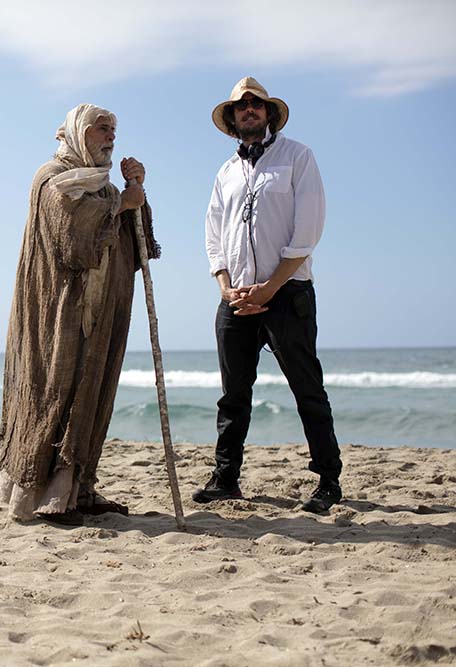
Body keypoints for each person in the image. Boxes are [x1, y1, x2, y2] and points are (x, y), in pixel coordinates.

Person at [0, 103, 158, 526]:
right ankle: (42, 496)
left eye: (113, 130)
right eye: (101, 129)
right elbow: (72, 238)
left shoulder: (105, 187)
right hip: (60, 315)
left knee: (90, 397)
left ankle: (77, 489)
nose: (110, 137)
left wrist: (134, 192)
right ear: (76, 132)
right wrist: (123, 203)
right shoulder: (53, 179)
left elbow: (135, 243)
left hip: (102, 311)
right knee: (54, 393)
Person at [197, 76, 342, 513]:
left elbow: (307, 232)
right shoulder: (226, 172)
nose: (249, 110)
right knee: (233, 395)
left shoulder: (298, 157)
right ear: (232, 117)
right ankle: (226, 479)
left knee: (307, 389)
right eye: (241, 106)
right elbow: (213, 237)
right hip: (235, 298)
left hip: (287, 293)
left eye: (256, 104)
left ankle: (328, 481)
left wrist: (270, 287)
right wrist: (227, 290)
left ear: (269, 112)